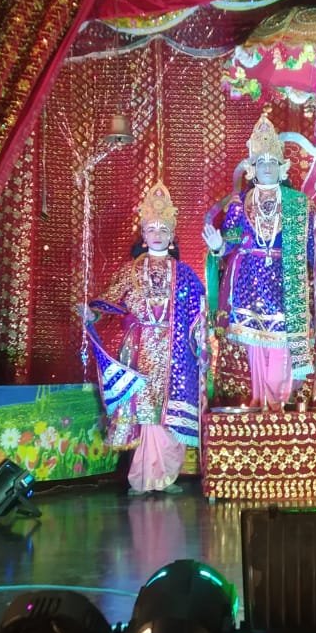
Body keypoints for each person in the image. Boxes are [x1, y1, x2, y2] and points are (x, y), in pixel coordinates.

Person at [82, 182, 204, 495]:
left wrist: (203, 342)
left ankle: (166, 477)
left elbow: (199, 313)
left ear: (172, 235)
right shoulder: (131, 271)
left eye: (164, 229)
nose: (157, 234)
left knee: (169, 412)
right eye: (152, 229)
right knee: (144, 412)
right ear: (143, 235)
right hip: (140, 350)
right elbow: (109, 301)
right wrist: (92, 314)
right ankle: (142, 477)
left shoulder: (185, 273)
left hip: (176, 353)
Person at [202, 112, 314, 409]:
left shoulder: (298, 204)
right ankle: (261, 405)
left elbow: (310, 250)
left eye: (272, 162)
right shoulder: (240, 203)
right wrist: (219, 247)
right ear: (252, 168)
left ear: (281, 168)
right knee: (257, 349)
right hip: (250, 283)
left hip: (285, 283)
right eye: (261, 162)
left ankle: (278, 406)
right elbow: (231, 241)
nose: (266, 167)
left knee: (282, 348)